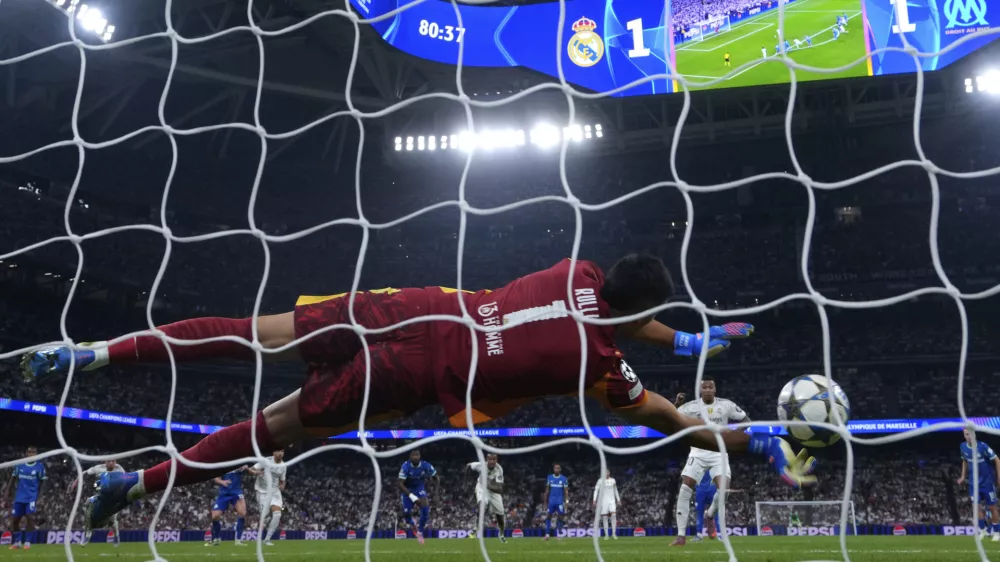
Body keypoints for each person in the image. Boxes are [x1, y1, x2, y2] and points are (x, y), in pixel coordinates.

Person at [20, 255, 816, 532]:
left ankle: (91, 351)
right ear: (636, 312)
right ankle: (137, 485)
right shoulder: (601, 368)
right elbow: (674, 425)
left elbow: (614, 309)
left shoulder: (578, 270)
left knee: (246, 329)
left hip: (410, 308)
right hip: (414, 376)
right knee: (274, 426)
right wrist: (756, 438)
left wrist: (684, 339)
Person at [671, 379, 749, 547]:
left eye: (710, 387)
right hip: (698, 452)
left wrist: (732, 434)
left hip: (719, 452)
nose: (707, 389)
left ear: (715, 389)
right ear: (700, 389)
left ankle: (710, 515)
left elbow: (746, 420)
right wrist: (677, 404)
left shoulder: (726, 405)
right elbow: (670, 415)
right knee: (685, 487)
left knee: (724, 490)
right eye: (704, 387)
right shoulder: (691, 407)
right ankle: (681, 536)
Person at [957, 429, 1000, 541]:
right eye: (966, 434)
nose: (969, 436)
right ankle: (983, 530)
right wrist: (962, 476)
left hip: (987, 483)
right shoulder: (963, 447)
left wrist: (999, 478)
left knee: (992, 507)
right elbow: (965, 461)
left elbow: (997, 460)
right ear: (964, 436)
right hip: (973, 484)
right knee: (976, 507)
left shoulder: (983, 446)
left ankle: (996, 532)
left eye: (971, 434)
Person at [69, 460, 124, 546]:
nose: (111, 463)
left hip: (114, 498)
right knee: (90, 513)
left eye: (113, 461)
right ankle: (87, 536)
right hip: (101, 496)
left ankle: (116, 536)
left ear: (115, 462)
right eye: (109, 461)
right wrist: (76, 482)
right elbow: (85, 472)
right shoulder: (99, 468)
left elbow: (127, 478)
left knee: (112, 521)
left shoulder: (119, 469)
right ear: (105, 462)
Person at [4, 446, 46, 550]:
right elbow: (13, 478)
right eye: (29, 452)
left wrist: (40, 496)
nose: (31, 454)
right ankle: (17, 542)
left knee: (29, 517)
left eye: (33, 452)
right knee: (15, 520)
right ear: (26, 453)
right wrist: (7, 491)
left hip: (31, 497)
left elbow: (43, 482)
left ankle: (27, 542)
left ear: (36, 454)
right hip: (19, 497)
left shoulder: (40, 467)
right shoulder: (20, 465)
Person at [398, 449, 438, 544]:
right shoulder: (405, 466)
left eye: (417, 455)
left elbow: (437, 477)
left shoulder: (426, 465)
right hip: (407, 491)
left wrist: (436, 493)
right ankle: (412, 524)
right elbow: (400, 484)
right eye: (413, 455)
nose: (415, 457)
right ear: (410, 457)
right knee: (406, 514)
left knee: (425, 509)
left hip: (419, 489)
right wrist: (412, 496)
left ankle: (420, 532)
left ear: (420, 456)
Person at [467, 453, 506, 543]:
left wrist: (489, 486)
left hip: (493, 491)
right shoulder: (481, 465)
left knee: (500, 513)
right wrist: (465, 481)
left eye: (494, 459)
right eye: (490, 459)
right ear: (487, 460)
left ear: (496, 460)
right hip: (481, 487)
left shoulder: (499, 469)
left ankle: (501, 534)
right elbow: (468, 466)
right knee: (482, 504)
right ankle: (475, 530)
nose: (492, 461)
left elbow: (500, 489)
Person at [249, 450, 286, 546]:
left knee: (277, 514)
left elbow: (282, 480)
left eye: (282, 451)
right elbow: (251, 469)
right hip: (262, 492)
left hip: (275, 492)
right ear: (273, 453)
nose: (280, 453)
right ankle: (259, 534)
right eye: (278, 451)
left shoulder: (283, 466)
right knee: (264, 517)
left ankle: (267, 539)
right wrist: (257, 472)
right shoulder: (266, 461)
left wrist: (282, 486)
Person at [208, 465, 248, 546]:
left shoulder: (240, 461)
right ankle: (217, 539)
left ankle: (238, 540)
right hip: (224, 493)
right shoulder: (223, 463)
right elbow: (215, 478)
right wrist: (222, 482)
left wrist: (246, 467)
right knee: (215, 516)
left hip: (236, 492)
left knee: (242, 513)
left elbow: (249, 470)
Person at [592, 470, 620, 540]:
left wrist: (618, 499)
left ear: (609, 473)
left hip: (612, 501)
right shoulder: (600, 481)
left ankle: (614, 534)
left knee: (613, 515)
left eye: (607, 472)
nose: (606, 473)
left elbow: (615, 490)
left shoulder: (613, 480)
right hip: (603, 501)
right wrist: (594, 500)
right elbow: (596, 490)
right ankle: (606, 535)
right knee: (605, 518)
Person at [544, 463, 569, 540]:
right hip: (551, 501)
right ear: (553, 469)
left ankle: (559, 534)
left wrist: (567, 502)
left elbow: (566, 492)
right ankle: (547, 535)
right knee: (548, 516)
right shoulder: (549, 477)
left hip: (560, 501)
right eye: (555, 468)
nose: (556, 469)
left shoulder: (564, 479)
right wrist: (545, 502)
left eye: (558, 468)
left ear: (560, 470)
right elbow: (547, 490)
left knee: (561, 517)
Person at [693, 472, 718, 541]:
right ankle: (719, 534)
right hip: (711, 489)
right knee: (715, 512)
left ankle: (699, 535)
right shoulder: (714, 462)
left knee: (700, 513)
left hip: (701, 490)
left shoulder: (696, 463)